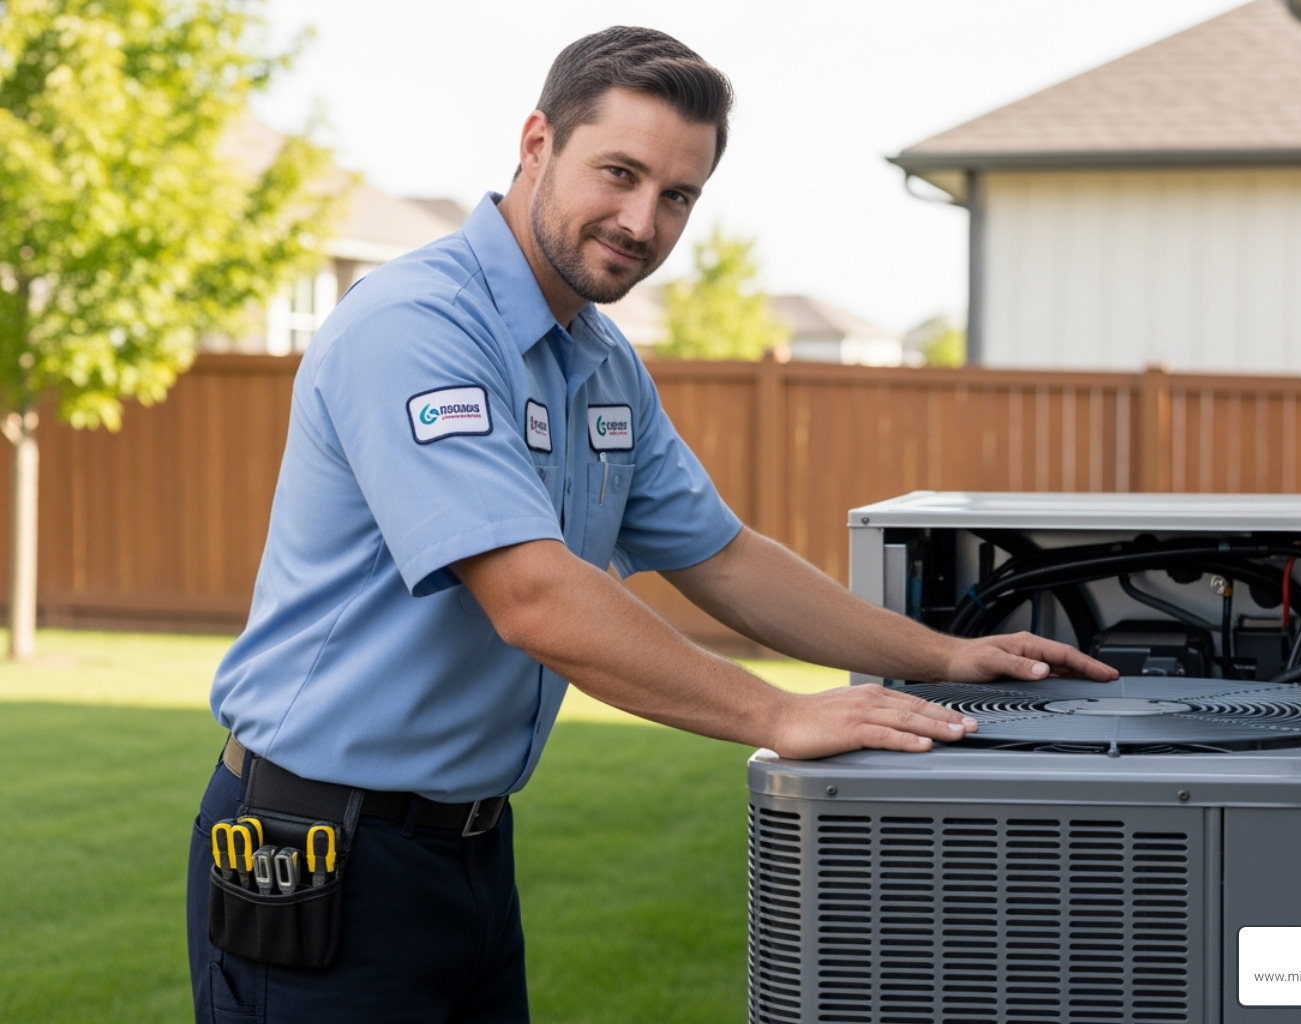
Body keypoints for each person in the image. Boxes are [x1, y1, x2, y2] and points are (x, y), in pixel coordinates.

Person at [186, 25, 1117, 1024]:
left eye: (677, 195)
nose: (642, 221)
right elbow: (535, 598)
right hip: (318, 847)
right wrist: (775, 714)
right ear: (536, 142)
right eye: (619, 173)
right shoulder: (416, 329)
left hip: (463, 850)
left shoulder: (599, 361)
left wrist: (942, 655)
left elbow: (723, 555)